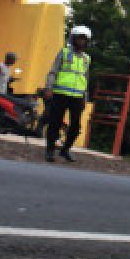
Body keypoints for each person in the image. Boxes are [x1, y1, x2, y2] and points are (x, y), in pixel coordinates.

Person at [43, 26, 92, 163]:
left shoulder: (87, 59)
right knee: (55, 123)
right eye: (79, 38)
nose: (81, 41)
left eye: (84, 39)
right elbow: (53, 71)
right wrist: (48, 88)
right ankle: (50, 151)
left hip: (77, 97)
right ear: (73, 39)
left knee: (76, 126)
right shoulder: (64, 53)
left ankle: (65, 150)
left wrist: (85, 98)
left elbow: (86, 79)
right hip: (60, 94)